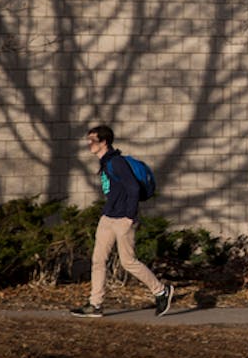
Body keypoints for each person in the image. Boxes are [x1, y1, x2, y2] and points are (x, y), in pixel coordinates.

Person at [71, 125, 174, 318]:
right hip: (108, 217)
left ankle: (161, 291)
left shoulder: (116, 162)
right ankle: (95, 305)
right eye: (88, 140)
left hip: (123, 220)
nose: (89, 144)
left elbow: (133, 189)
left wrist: (129, 217)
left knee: (128, 262)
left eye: (92, 140)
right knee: (98, 260)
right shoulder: (105, 162)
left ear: (104, 142)